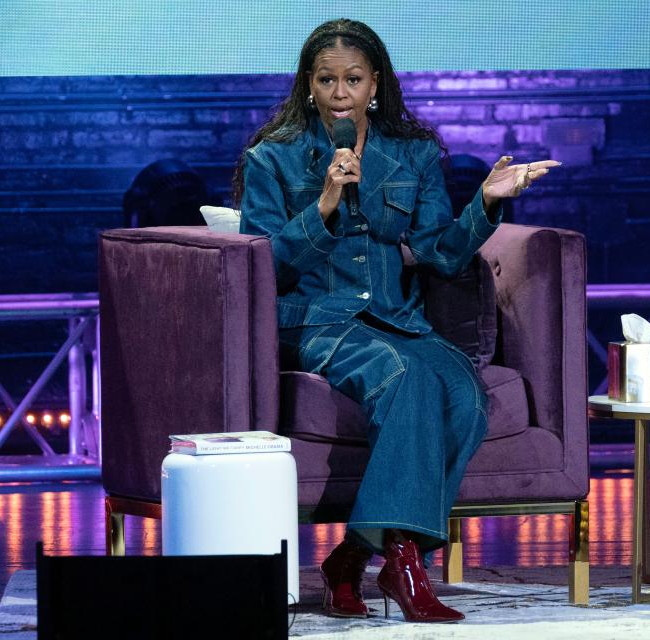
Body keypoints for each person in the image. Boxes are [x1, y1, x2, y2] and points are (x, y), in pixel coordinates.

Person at [234, 18, 558, 623]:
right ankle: (406, 568)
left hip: (396, 318)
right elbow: (263, 268)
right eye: (326, 80)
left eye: (352, 79)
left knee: (464, 394)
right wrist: (325, 205)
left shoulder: (410, 154)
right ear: (308, 84)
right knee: (404, 378)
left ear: (375, 83)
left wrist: (485, 202)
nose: (339, 92)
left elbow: (440, 252)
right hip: (317, 322)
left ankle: (353, 559)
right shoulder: (271, 159)